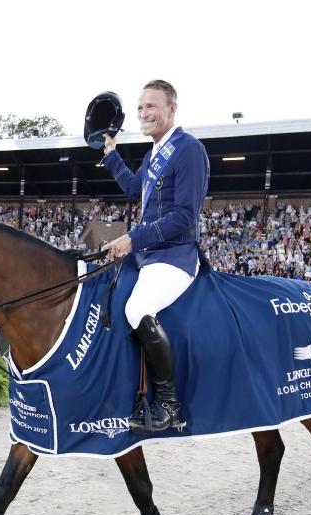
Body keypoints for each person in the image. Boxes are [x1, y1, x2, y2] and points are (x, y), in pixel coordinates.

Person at [99, 79, 210, 433]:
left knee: (135, 309)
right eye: (141, 107)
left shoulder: (189, 149)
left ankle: (169, 404)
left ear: (172, 108)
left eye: (151, 106)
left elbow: (184, 217)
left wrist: (132, 238)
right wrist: (111, 154)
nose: (144, 113)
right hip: (148, 255)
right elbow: (136, 188)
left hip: (175, 256)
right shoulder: (153, 154)